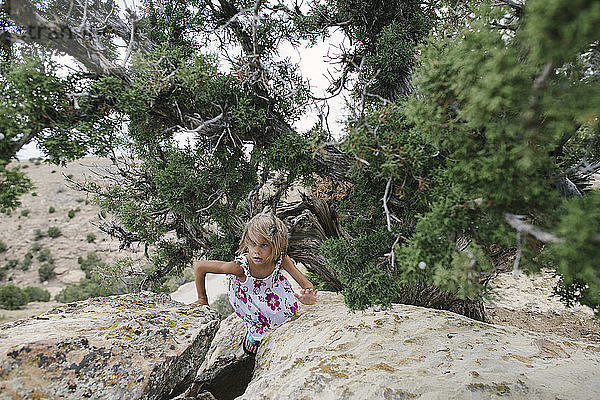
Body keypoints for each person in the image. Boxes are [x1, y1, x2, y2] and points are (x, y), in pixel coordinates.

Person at [192, 213, 318, 355]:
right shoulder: (240, 267)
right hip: (250, 300)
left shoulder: (280, 258)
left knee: (285, 317)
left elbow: (306, 285)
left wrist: (308, 296)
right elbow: (199, 267)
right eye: (252, 244)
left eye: (264, 245)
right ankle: (253, 331)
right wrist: (202, 299)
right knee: (258, 327)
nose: (256, 251)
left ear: (276, 245)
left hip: (272, 294)